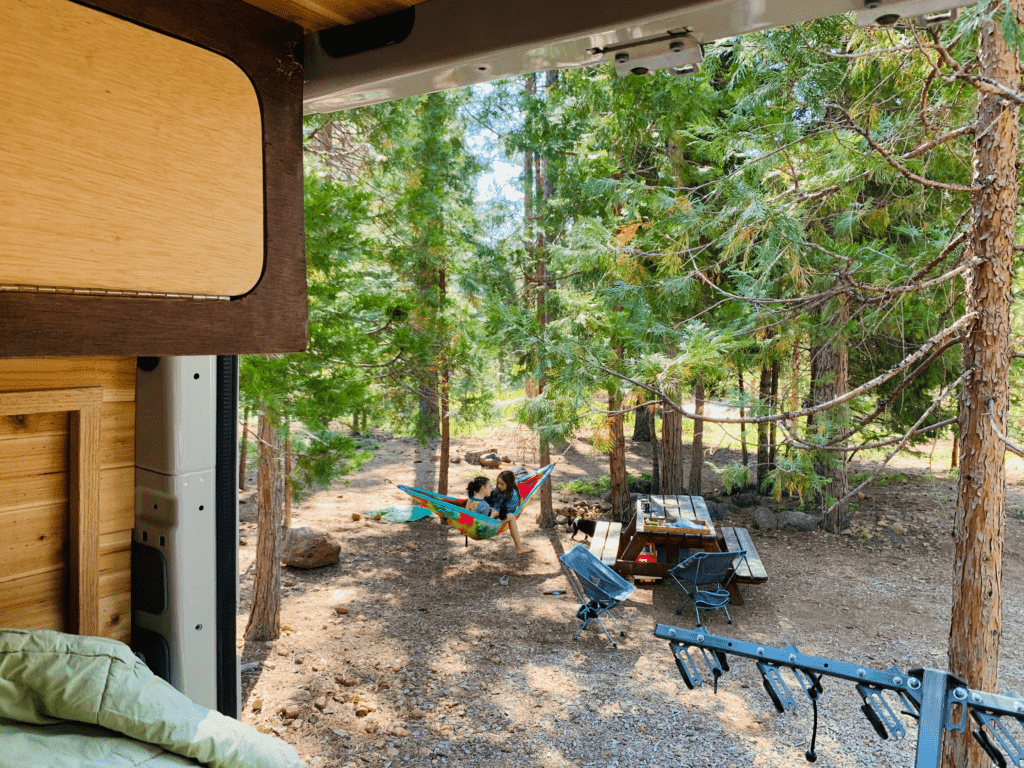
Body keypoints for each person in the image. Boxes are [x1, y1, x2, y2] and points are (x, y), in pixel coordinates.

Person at [487, 469, 531, 555]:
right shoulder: (497, 489)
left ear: (509, 484)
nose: (499, 486)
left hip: (498, 518)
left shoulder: (513, 495)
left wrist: (494, 513)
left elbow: (505, 514)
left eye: (502, 484)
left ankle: (519, 548)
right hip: (487, 515)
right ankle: (520, 548)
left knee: (511, 515)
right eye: (498, 483)